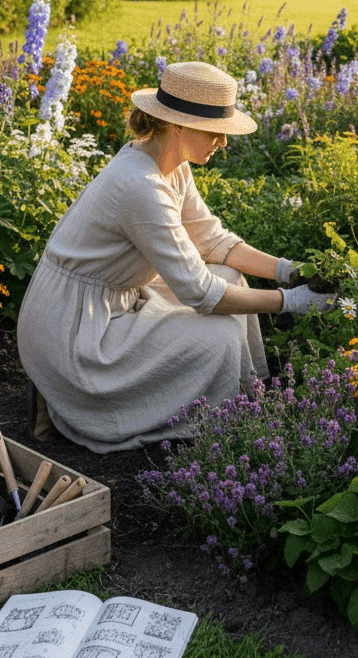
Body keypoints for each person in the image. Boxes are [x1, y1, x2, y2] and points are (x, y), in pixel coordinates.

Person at [17, 60, 334, 453]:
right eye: (215, 132)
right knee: (218, 336)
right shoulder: (140, 186)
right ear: (178, 125)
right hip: (75, 328)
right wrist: (293, 303)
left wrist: (290, 272)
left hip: (110, 299)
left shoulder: (170, 164)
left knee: (231, 278)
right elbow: (201, 293)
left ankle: (243, 400)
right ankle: (79, 400)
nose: (223, 143)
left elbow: (213, 241)